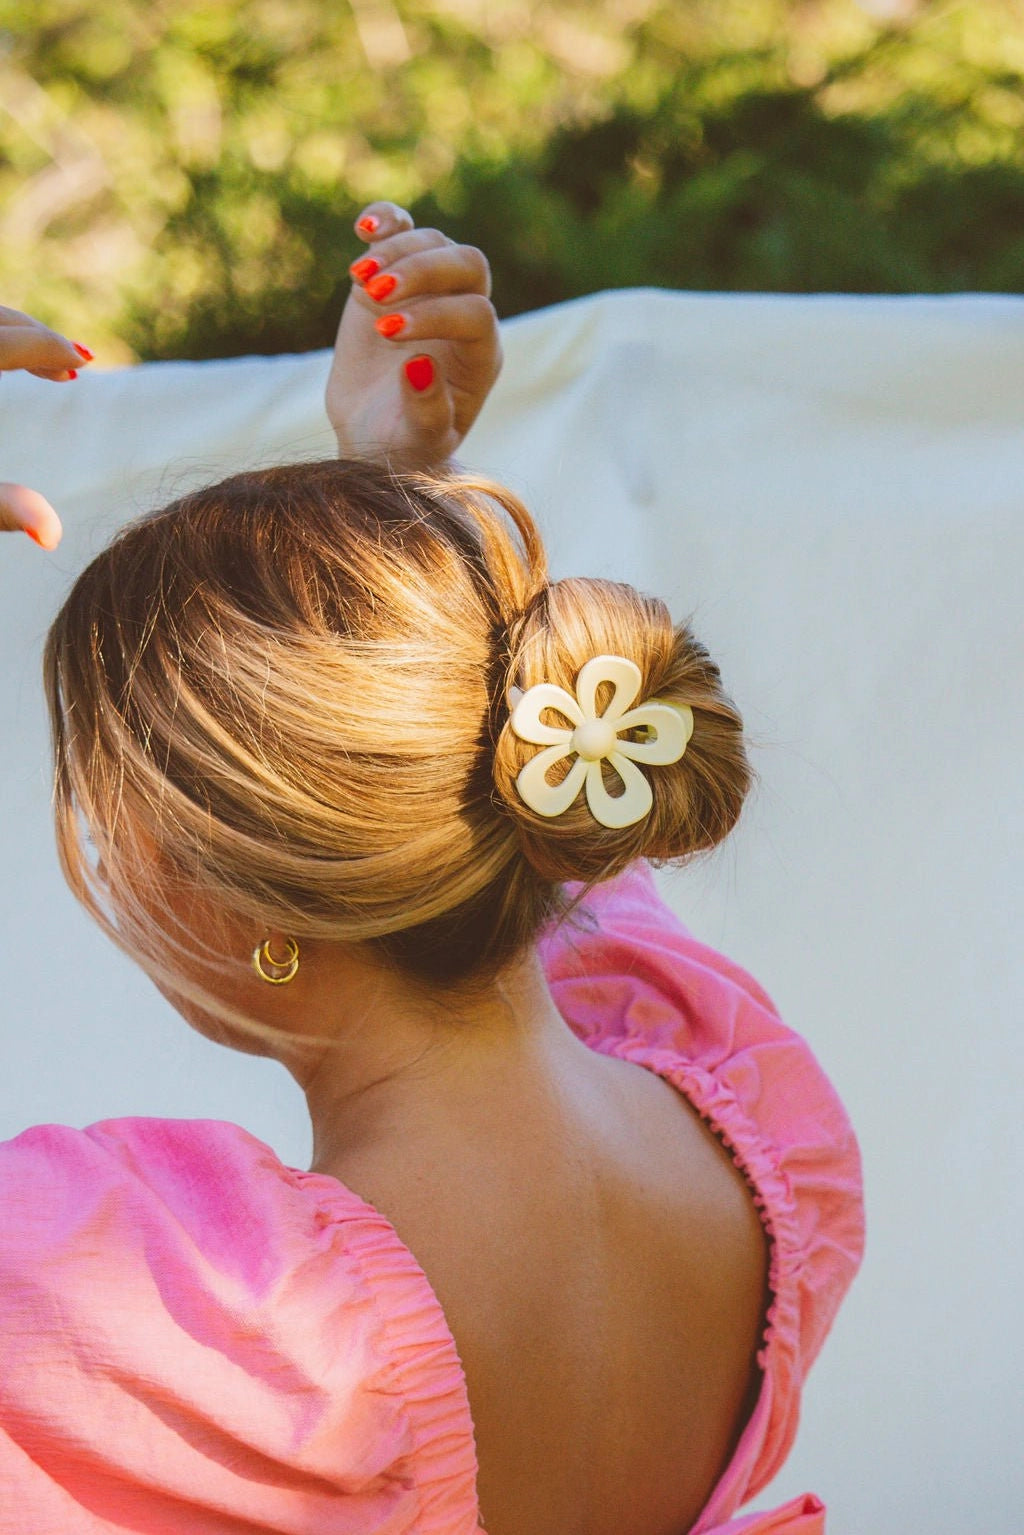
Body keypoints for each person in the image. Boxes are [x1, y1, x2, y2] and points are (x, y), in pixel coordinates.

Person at [0, 206, 863, 1535]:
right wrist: (397, 488)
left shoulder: (147, 1302)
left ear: (231, 902)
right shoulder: (756, 1129)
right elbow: (521, 784)